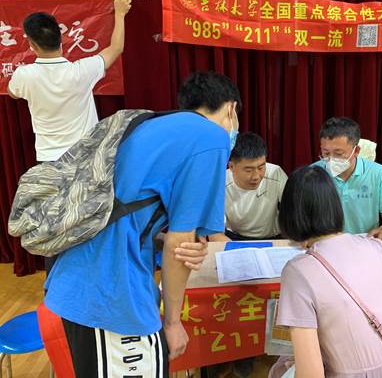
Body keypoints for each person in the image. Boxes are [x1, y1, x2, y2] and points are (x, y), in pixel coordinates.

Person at [38, 71, 240, 377]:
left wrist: (161, 240)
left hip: (86, 276)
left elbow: (130, 213)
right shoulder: (211, 137)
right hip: (108, 290)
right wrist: (173, 323)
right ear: (231, 109)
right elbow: (181, 243)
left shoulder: (151, 124)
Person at [272, 165, 382, 378]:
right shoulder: (374, 246)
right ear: (335, 207)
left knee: (281, 369)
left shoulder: (298, 271)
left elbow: (311, 374)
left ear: (290, 215)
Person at [7, 0, 132, 162]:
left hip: (49, 157)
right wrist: (120, 14)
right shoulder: (82, 70)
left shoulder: (24, 75)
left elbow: (13, 93)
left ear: (32, 45)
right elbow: (116, 48)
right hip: (85, 154)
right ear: (61, 41)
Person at [313, 117, 382, 244]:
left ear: (356, 151)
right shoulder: (313, 173)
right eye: (326, 153)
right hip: (324, 244)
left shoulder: (378, 173)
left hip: (365, 243)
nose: (331, 159)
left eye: (338, 154)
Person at [210, 132, 288, 241]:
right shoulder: (220, 183)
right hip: (235, 238)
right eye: (248, 170)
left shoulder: (275, 173)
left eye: (261, 167)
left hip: (274, 238)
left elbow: (296, 212)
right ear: (231, 167)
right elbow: (215, 235)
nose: (256, 176)